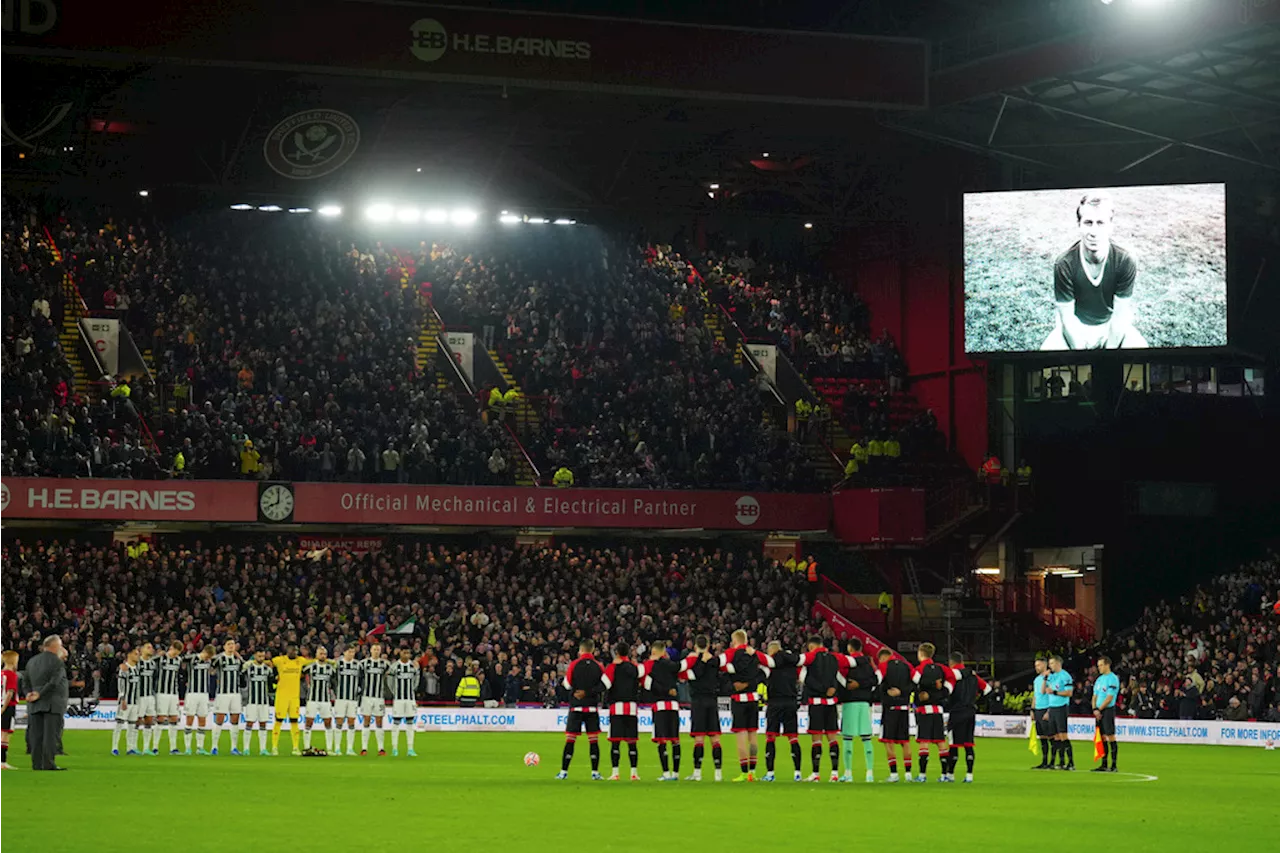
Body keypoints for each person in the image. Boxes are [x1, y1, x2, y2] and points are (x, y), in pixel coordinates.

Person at [1040, 191, 1149, 351]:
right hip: (1077, 326)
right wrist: (1080, 352)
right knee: (1046, 353)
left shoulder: (1125, 260)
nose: (1094, 231)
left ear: (1111, 226)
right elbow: (1067, 318)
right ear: (1079, 225)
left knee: (1141, 349)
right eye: (1088, 223)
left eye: (1101, 223)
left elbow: (1120, 316)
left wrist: (1108, 351)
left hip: (1110, 325)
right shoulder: (1064, 263)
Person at [719, 628, 774, 782]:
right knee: (753, 736)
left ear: (735, 641)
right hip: (754, 699)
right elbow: (770, 664)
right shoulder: (754, 654)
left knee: (741, 736)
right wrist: (754, 679)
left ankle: (744, 773)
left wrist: (731, 674)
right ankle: (753, 772)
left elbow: (719, 662)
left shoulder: (732, 653)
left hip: (739, 700)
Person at [556, 638, 604, 780]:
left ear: (581, 650)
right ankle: (595, 772)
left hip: (576, 707)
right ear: (593, 650)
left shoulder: (574, 665)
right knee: (593, 740)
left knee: (570, 740)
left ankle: (564, 772)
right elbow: (603, 686)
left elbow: (567, 685)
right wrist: (589, 692)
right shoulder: (599, 666)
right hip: (592, 708)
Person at [798, 635, 842, 783]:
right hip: (831, 703)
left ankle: (815, 774)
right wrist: (832, 690)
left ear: (811, 647)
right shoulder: (833, 658)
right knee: (832, 738)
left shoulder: (810, 658)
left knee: (816, 739)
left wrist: (822, 690)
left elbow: (805, 679)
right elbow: (837, 678)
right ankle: (834, 774)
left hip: (817, 702)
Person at [23, 634, 69, 771]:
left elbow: (25, 681)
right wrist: (40, 694)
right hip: (52, 703)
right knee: (50, 735)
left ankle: (37, 764)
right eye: (60, 645)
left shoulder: (32, 661)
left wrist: (29, 693)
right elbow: (54, 682)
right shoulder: (57, 662)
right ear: (55, 646)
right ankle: (48, 763)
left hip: (34, 703)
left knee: (36, 735)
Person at [911, 642, 955, 782]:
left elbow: (913, 684)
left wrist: (923, 694)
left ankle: (922, 775)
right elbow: (952, 680)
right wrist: (942, 692)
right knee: (941, 742)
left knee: (924, 742)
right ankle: (944, 775)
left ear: (920, 653)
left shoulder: (919, 669)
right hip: (939, 710)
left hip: (924, 710)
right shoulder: (942, 669)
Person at [639, 640, 683, 781]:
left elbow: (647, 684)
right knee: (675, 740)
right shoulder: (672, 665)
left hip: (660, 705)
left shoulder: (650, 666)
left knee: (661, 740)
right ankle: (676, 773)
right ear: (664, 652)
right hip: (674, 705)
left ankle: (665, 773)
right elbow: (681, 671)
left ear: (653, 652)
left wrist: (664, 690)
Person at [682, 635, 724, 782]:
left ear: (694, 646)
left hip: (698, 701)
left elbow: (693, 674)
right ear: (708, 646)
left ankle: (697, 773)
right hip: (712, 701)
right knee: (715, 738)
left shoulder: (694, 661)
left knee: (699, 738)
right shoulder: (714, 661)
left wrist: (698, 659)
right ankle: (718, 774)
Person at [836, 637, 876, 783]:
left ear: (850, 648)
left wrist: (848, 685)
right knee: (866, 738)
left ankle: (848, 773)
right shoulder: (868, 663)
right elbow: (874, 681)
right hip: (865, 703)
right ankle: (870, 773)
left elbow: (839, 678)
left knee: (848, 738)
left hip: (850, 702)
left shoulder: (847, 662)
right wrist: (861, 685)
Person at [947, 652, 992, 783]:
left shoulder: (953, 674)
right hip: (970, 711)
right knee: (968, 744)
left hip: (956, 712)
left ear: (951, 663)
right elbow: (988, 689)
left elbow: (947, 691)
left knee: (953, 744)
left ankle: (950, 775)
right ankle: (969, 775)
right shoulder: (973, 675)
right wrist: (977, 701)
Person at [762, 639, 802, 782]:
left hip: (775, 703)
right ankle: (798, 773)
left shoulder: (770, 664)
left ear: (772, 651)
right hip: (790, 702)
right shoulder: (792, 664)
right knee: (793, 738)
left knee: (771, 737)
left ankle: (770, 773)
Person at [601, 641, 641, 781]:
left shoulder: (612, 667)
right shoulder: (634, 667)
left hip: (616, 706)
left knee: (615, 742)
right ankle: (634, 773)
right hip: (631, 707)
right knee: (632, 742)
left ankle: (615, 773)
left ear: (616, 653)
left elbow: (605, 684)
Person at [876, 647, 914, 782]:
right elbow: (916, 682)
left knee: (888, 742)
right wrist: (903, 692)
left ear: (882, 658)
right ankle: (908, 774)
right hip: (904, 708)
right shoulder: (907, 666)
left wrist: (887, 691)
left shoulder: (883, 666)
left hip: (890, 709)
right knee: (905, 742)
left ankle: (894, 775)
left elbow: (876, 682)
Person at [270, 644, 314, 756]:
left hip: (294, 697)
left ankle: (295, 747)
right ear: (287, 650)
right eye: (292, 649)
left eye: (296, 650)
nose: (294, 651)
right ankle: (274, 747)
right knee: (278, 721)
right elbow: (268, 663)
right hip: (281, 696)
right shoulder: (279, 660)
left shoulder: (300, 661)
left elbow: (314, 661)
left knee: (294, 721)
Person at [302, 647, 337, 753]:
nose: (323, 655)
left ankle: (330, 748)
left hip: (325, 700)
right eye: (320, 653)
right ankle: (307, 747)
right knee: (309, 722)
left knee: (328, 723)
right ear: (316, 655)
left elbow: (334, 681)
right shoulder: (310, 667)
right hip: (312, 699)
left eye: (324, 654)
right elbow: (302, 673)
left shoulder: (330, 668)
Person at [182, 645, 215, 755]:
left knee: (202, 719)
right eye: (207, 656)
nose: (208, 659)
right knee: (189, 719)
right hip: (192, 693)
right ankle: (187, 748)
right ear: (204, 651)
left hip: (204, 694)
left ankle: (200, 748)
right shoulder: (192, 658)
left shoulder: (209, 661)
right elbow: (180, 658)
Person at [359, 643, 391, 756]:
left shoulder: (385, 664)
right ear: (371, 651)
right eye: (374, 649)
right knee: (366, 720)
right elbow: (358, 676)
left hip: (379, 697)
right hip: (366, 697)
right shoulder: (364, 663)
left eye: (378, 649)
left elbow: (390, 674)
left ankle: (381, 748)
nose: (376, 651)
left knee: (379, 721)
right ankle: (364, 748)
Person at [1045, 654, 1075, 770]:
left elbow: (1069, 693)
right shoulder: (1051, 677)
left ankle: (1071, 762)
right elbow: (1046, 691)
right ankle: (1061, 762)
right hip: (1052, 707)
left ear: (1058, 663)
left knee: (1063, 734)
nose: (1050, 666)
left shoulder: (1065, 676)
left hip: (1061, 707)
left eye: (1052, 663)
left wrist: (1055, 692)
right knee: (1055, 736)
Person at [389, 648, 421, 757]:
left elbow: (417, 679)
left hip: (410, 699)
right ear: (400, 653)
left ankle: (410, 749)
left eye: (408, 652)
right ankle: (394, 748)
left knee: (410, 723)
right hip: (398, 699)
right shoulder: (394, 666)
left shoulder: (413, 666)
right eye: (404, 652)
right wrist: (394, 692)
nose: (406, 654)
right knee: (396, 722)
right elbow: (390, 681)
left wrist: (413, 689)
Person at [242, 650, 274, 756]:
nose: (261, 658)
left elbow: (270, 685)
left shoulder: (268, 670)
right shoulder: (249, 668)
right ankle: (246, 749)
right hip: (252, 701)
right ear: (255, 656)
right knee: (249, 724)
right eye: (259, 655)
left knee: (263, 724)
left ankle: (263, 749)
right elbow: (242, 680)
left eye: (263, 656)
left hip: (264, 702)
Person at [155, 641, 185, 755]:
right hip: (161, 693)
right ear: (171, 648)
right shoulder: (161, 658)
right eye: (175, 651)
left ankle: (173, 748)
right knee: (161, 719)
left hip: (173, 693)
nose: (176, 654)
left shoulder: (178, 660)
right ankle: (155, 747)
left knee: (174, 718)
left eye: (178, 652)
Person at [333, 647, 363, 756]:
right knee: (339, 722)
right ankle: (337, 748)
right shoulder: (338, 664)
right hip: (341, 698)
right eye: (349, 652)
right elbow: (333, 679)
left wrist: (359, 690)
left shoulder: (358, 665)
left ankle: (350, 748)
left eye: (353, 652)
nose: (351, 654)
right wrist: (336, 690)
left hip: (353, 699)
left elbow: (362, 679)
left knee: (351, 722)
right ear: (344, 652)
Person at [1092, 655, 1120, 773]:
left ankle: (1113, 765)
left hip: (1107, 710)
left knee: (1110, 736)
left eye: (1101, 665)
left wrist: (1099, 709)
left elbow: (1109, 698)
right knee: (1102, 737)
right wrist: (1094, 709)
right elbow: (1094, 696)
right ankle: (1104, 764)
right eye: (1098, 666)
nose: (1099, 668)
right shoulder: (1099, 679)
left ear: (1107, 665)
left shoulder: (1112, 678)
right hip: (1098, 710)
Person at [113, 649, 141, 756]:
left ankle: (130, 748)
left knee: (131, 725)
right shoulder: (124, 669)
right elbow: (121, 685)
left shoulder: (137, 669)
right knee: (119, 724)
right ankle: (115, 747)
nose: (137, 656)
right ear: (129, 655)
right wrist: (122, 699)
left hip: (134, 702)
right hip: (125, 701)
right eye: (135, 654)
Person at [135, 642, 159, 755]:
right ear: (142, 650)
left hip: (150, 696)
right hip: (140, 696)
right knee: (137, 721)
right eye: (148, 647)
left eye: (152, 647)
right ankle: (133, 747)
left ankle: (146, 748)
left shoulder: (153, 663)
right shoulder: (137, 663)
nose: (151, 649)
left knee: (149, 721)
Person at [1031, 657, 1052, 769]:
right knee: (1042, 737)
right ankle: (1044, 761)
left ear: (1044, 665)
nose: (1036, 668)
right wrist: (1032, 709)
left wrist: (1049, 711)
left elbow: (1051, 695)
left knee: (1050, 736)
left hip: (1046, 709)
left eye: (1038, 665)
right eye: (1035, 666)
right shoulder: (1036, 680)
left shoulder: (1050, 678)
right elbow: (1035, 695)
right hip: (1038, 709)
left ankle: (1052, 761)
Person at [1, 650, 21, 768]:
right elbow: (10, 692)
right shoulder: (11, 675)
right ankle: (2, 761)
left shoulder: (0, 674)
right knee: (5, 734)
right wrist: (4, 708)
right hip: (8, 707)